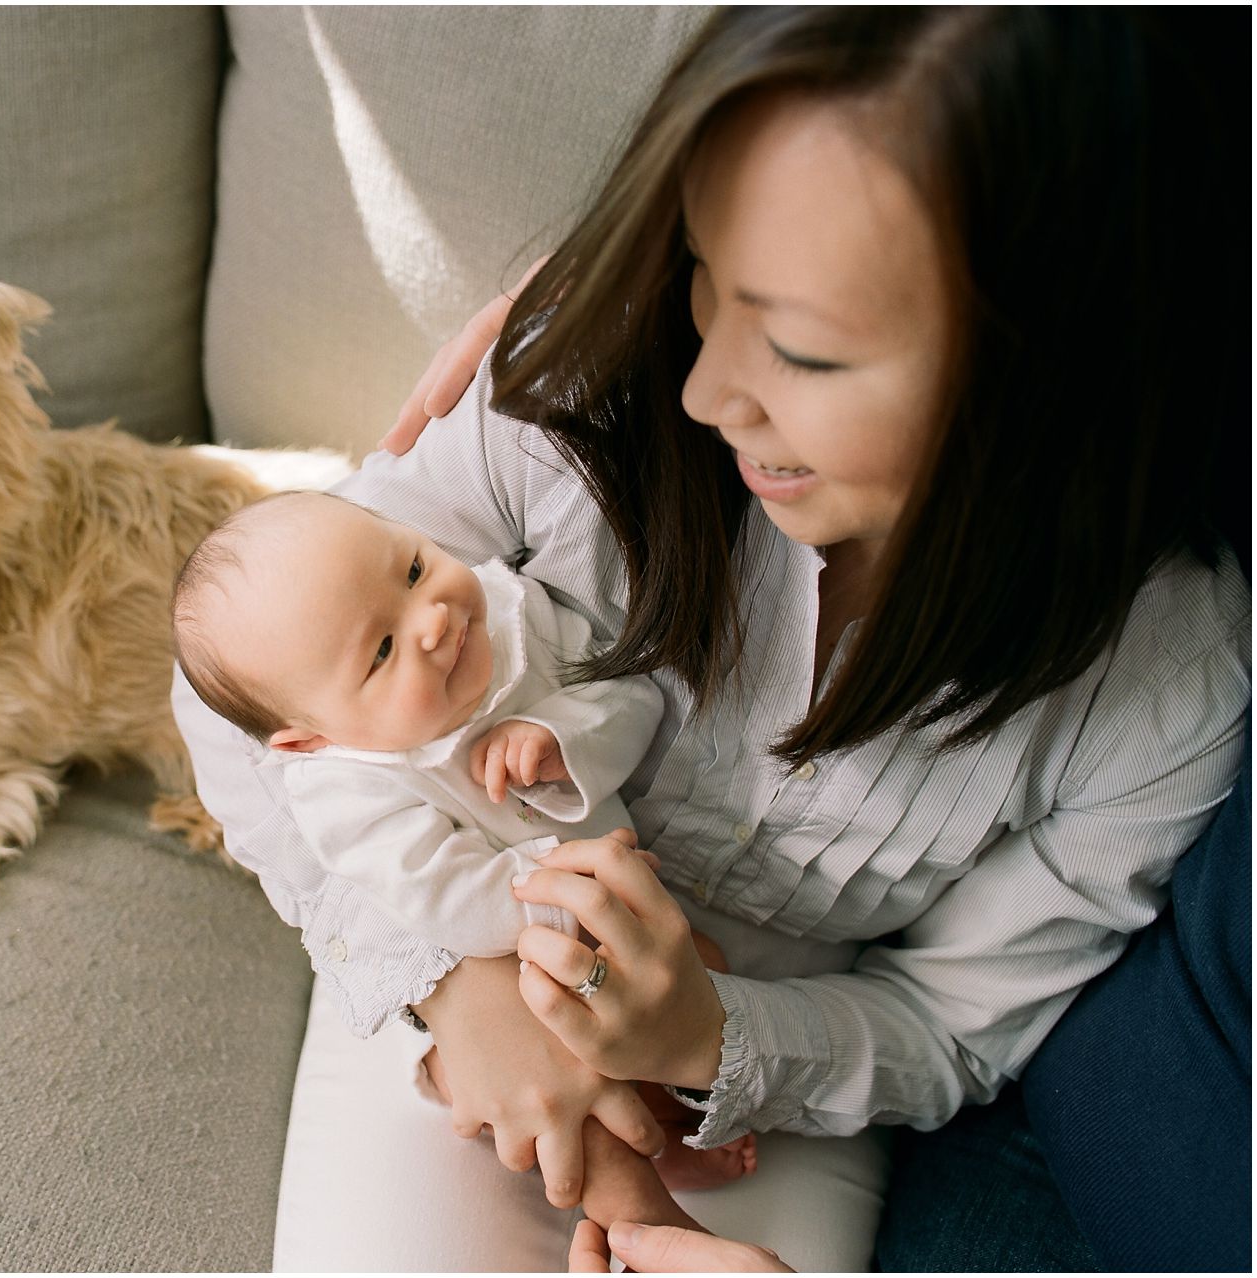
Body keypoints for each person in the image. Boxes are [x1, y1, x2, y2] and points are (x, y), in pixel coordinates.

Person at [172, 8, 1249, 1270]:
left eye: (796, 346)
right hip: (463, 995)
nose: (705, 390)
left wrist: (706, 1037)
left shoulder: (1159, 692)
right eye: (700, 271)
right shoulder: (598, 393)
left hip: (777, 1082)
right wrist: (453, 986)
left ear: (1054, 385)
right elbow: (246, 685)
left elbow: (951, 1027)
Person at [170, 490, 758, 1232]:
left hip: (622, 907)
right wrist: (558, 895)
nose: (434, 619)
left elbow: (628, 697)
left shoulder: (516, 613)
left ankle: (676, 1106)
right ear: (308, 737)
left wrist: (562, 738)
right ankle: (634, 1198)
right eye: (382, 651)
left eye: (413, 569)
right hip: (510, 952)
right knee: (562, 1068)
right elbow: (441, 895)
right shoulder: (343, 790)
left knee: (707, 968)